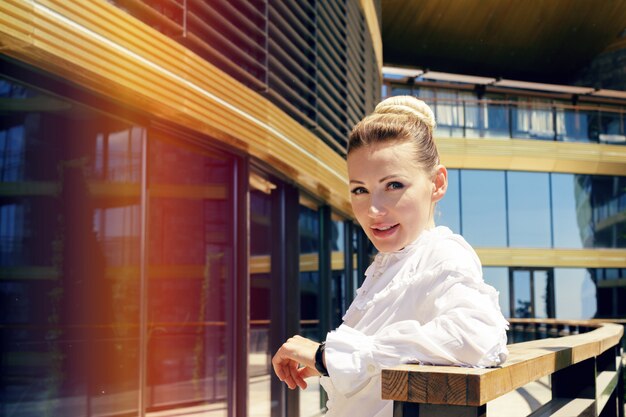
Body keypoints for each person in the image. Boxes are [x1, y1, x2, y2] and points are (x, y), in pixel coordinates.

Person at [272, 96, 509, 417]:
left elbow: (476, 337)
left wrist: (328, 356)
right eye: (359, 190)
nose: (373, 210)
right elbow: (382, 358)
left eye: (393, 185)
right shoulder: (388, 265)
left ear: (437, 183)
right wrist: (334, 363)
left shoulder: (443, 253)